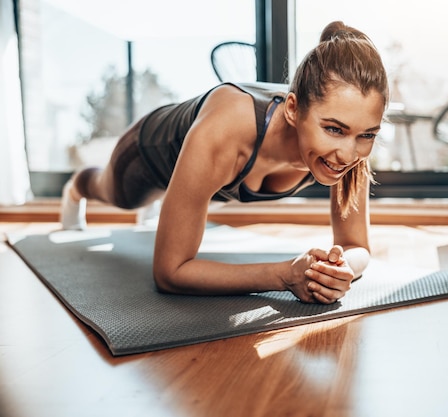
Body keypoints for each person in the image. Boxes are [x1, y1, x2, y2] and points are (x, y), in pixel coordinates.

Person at [60, 21, 389, 304]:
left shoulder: (350, 141)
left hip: (200, 168)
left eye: (367, 135)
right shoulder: (228, 128)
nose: (348, 155)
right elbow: (169, 273)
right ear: (293, 109)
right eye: (333, 130)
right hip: (149, 151)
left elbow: (357, 246)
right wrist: (285, 275)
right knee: (119, 196)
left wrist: (339, 267)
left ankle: (171, 202)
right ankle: (76, 188)